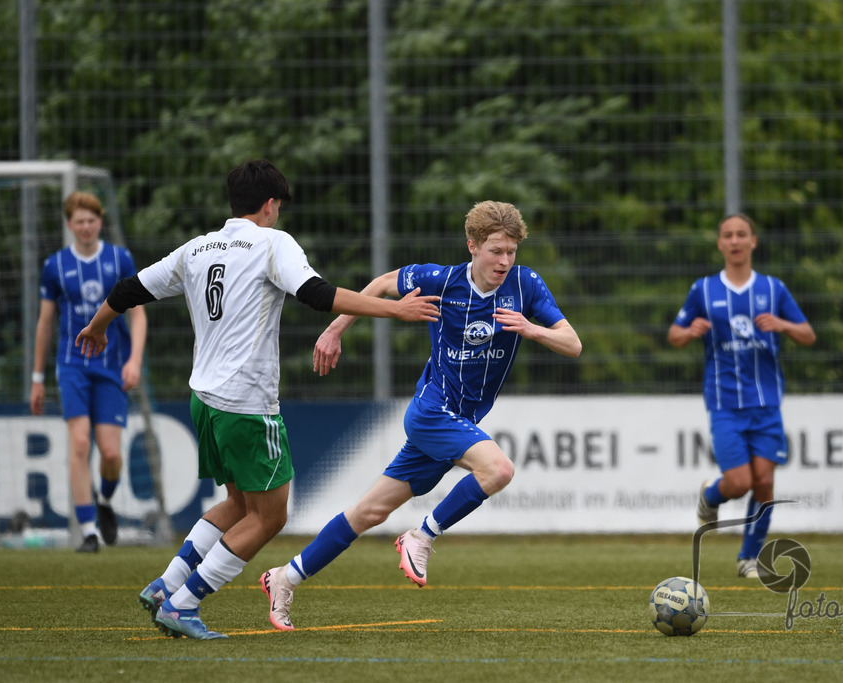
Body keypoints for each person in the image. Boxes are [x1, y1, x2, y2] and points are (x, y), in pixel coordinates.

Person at [75, 159, 441, 640]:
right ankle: (183, 606)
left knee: (240, 503)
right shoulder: (272, 242)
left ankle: (168, 584)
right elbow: (315, 293)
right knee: (271, 516)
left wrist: (98, 325)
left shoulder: (197, 248)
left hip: (202, 398)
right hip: (245, 402)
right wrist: (394, 309)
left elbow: (128, 290)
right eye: (278, 207)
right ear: (270, 205)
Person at [258, 200, 582, 632]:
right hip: (432, 412)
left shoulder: (526, 285)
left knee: (368, 513)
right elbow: (381, 284)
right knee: (498, 469)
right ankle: (421, 535)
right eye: (495, 251)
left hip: (456, 423)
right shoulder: (441, 279)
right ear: (472, 246)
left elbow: (572, 343)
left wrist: (531, 328)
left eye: (511, 252)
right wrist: (335, 330)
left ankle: (285, 577)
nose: (504, 261)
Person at [667, 213, 815, 579]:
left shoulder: (773, 288)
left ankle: (749, 557)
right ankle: (711, 496)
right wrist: (690, 332)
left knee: (764, 483)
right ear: (720, 243)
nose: (734, 241)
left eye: (741, 235)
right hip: (725, 405)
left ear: (753, 241)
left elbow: (808, 334)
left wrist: (782, 325)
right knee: (740, 483)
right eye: (728, 235)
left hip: (766, 405)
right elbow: (674, 334)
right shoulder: (703, 289)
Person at [30, 191, 147, 553]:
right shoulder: (55, 266)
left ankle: (106, 502)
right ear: (69, 225)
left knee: (111, 454)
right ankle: (88, 532)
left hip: (111, 366)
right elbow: (45, 322)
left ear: (100, 222)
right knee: (79, 443)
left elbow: (139, 313)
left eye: (91, 220)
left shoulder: (119, 259)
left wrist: (134, 360)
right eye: (78, 221)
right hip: (72, 365)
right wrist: (37, 378)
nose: (85, 226)